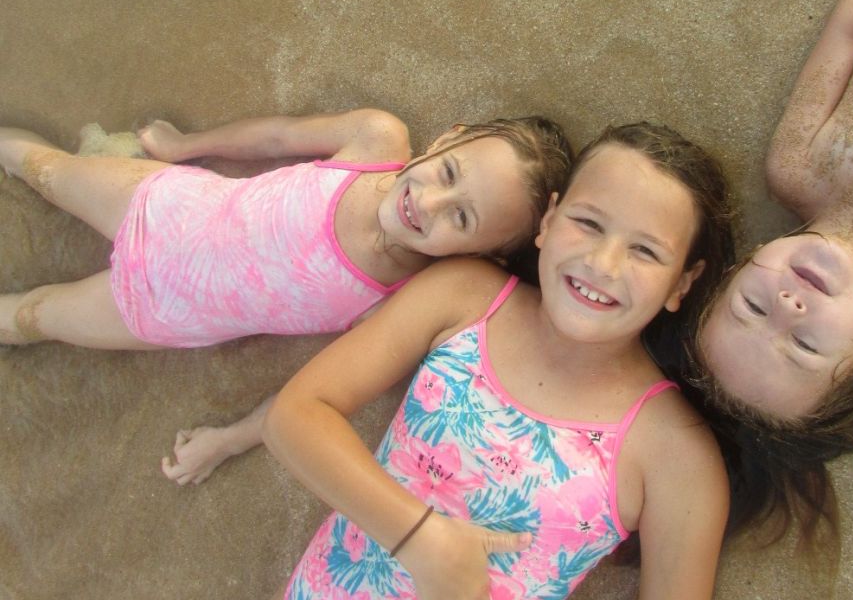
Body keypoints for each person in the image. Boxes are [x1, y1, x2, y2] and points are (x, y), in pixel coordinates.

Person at [225, 122, 735, 600]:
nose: (603, 264)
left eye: (645, 251)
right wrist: (420, 539)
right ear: (547, 221)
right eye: (588, 223)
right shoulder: (466, 296)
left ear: (681, 284)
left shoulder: (678, 457)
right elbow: (295, 415)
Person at [0, 109, 571, 350]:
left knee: (33, 317)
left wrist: (228, 440)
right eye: (448, 172)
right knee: (45, 171)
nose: (430, 202)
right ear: (450, 137)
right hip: (162, 204)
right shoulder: (377, 140)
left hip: (163, 311)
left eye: (462, 219)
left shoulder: (402, 298)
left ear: (481, 255)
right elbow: (276, 137)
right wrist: (185, 148)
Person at [689, 0, 853, 544]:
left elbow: (849, 30)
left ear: (743, 265)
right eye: (805, 345)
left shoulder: (795, 166)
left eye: (752, 305)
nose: (787, 305)